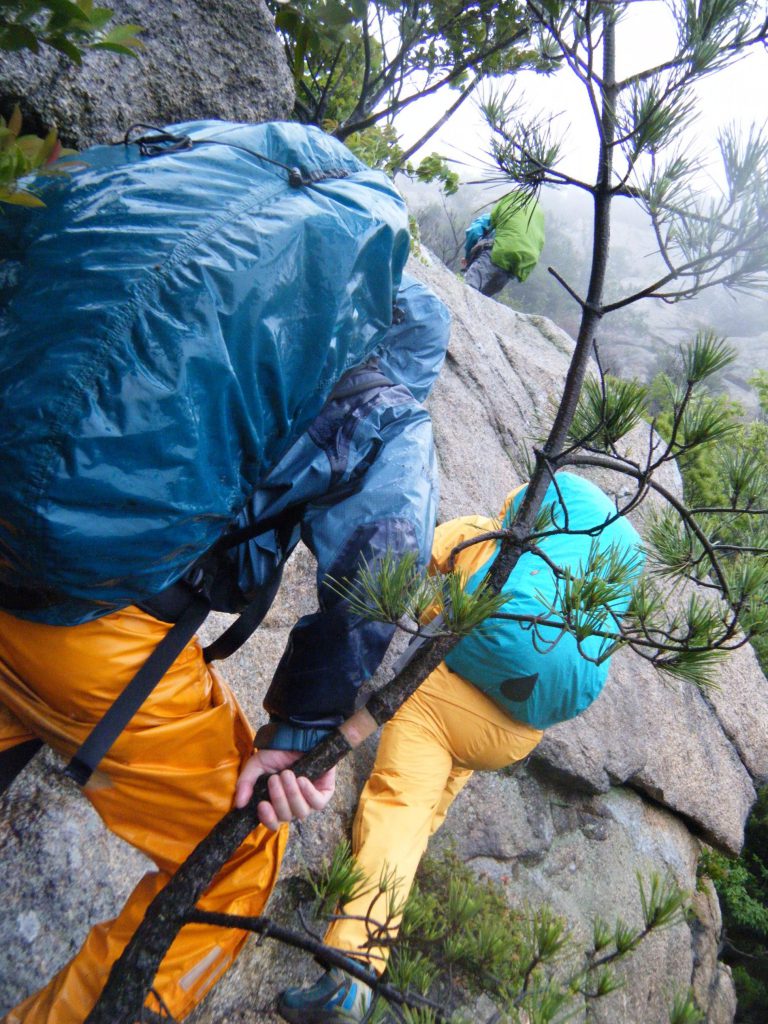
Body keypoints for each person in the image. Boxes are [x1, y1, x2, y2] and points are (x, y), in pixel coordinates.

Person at [0, 121, 451, 1024]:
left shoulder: (188, 193)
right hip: (88, 631)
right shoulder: (381, 394)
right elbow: (382, 558)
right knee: (238, 856)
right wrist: (303, 727)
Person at [278, 473, 644, 1024]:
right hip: (507, 738)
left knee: (399, 808)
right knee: (427, 808)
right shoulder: (591, 602)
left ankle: (351, 974)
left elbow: (408, 556)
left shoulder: (487, 538)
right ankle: (388, 900)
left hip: (438, 700)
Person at [462, 191, 545, 298]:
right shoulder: (536, 225)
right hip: (513, 268)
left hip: (495, 255)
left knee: (467, 292)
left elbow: (474, 232)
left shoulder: (496, 216)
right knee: (481, 300)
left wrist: (468, 257)